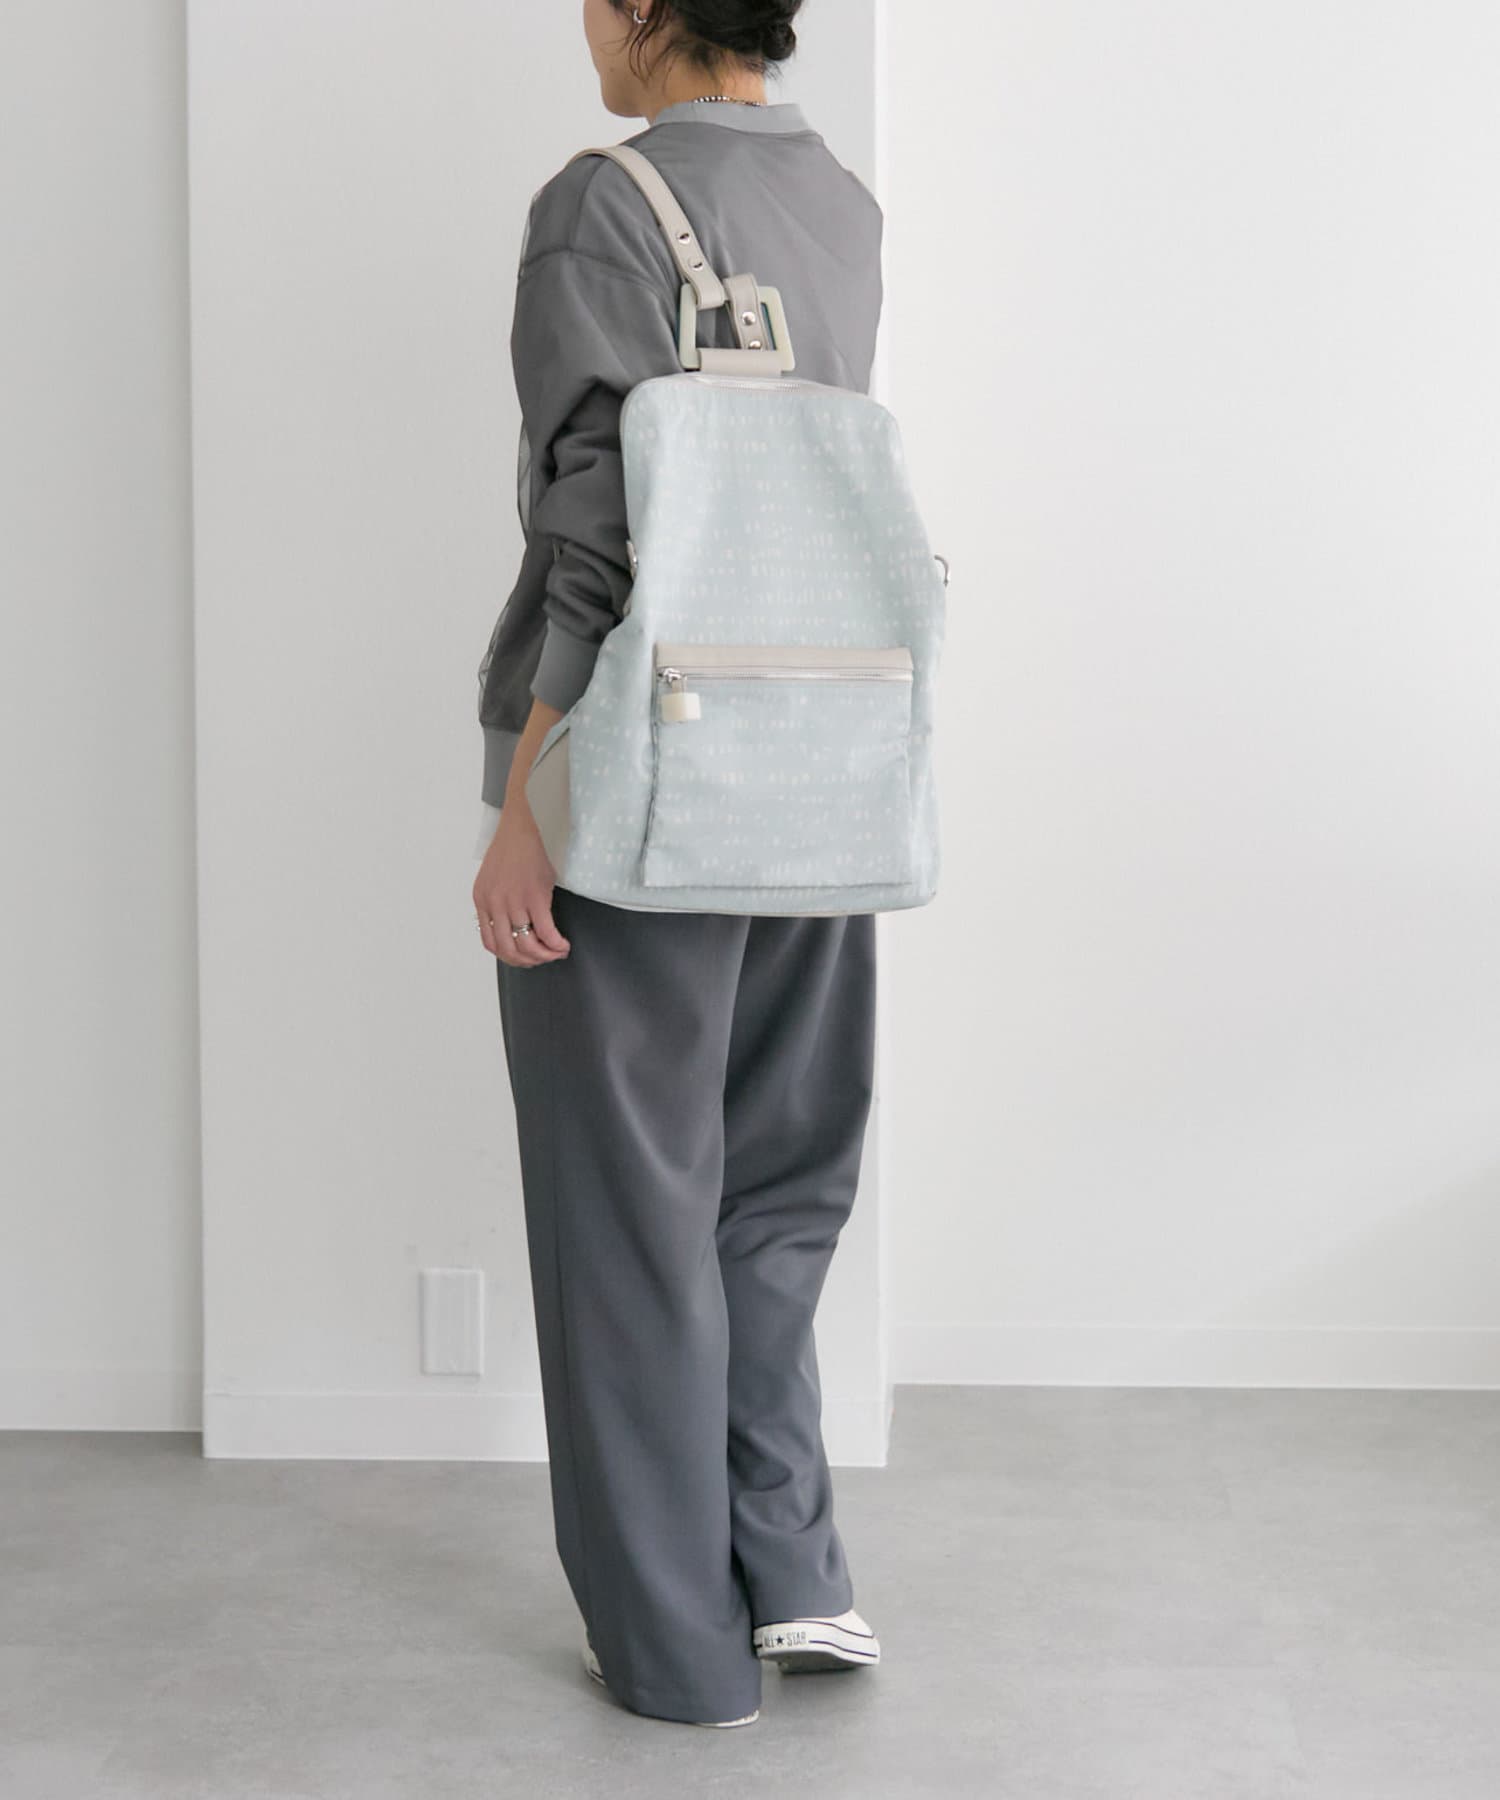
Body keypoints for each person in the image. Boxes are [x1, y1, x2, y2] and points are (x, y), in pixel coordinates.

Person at [472, 0, 883, 1729]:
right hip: (829, 759)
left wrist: (529, 802)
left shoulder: (605, 201)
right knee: (774, 1189)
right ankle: (794, 1575)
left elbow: (603, 529)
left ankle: (672, 1648)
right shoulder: (839, 199)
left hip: (645, 773)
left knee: (626, 1211)